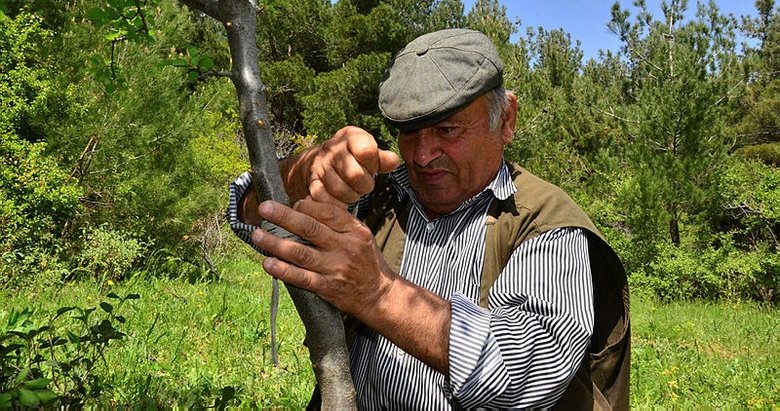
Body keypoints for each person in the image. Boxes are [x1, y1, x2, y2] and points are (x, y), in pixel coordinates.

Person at [228, 28, 629, 409]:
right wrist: (299, 174)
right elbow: (248, 215)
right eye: (408, 132)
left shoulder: (546, 222)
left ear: (505, 119)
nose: (421, 156)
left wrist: (377, 292)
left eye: (447, 129)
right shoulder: (378, 193)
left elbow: (529, 377)